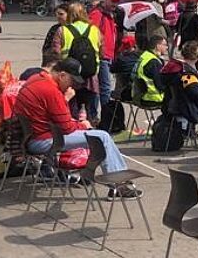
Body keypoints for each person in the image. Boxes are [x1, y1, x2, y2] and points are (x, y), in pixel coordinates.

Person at [13, 58, 141, 198]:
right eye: (71, 81)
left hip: (31, 137)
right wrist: (83, 125)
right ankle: (118, 185)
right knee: (102, 137)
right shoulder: (51, 91)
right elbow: (67, 127)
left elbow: (58, 120)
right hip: (43, 140)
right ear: (62, 75)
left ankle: (111, 179)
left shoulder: (35, 79)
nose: (72, 86)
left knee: (97, 135)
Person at [160, 40, 198, 146]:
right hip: (188, 108)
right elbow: (197, 94)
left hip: (173, 103)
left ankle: (194, 131)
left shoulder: (172, 67)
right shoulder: (187, 73)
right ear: (197, 56)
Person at [56, 2, 102, 122]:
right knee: (89, 104)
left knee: (72, 106)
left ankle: (73, 126)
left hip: (70, 74)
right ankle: (91, 123)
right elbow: (101, 49)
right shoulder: (94, 30)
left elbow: (55, 52)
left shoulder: (63, 30)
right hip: (91, 74)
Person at [89, 0, 121, 116]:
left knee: (101, 88)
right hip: (101, 55)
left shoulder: (110, 15)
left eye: (117, 1)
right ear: (106, 0)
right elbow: (92, 33)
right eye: (113, 1)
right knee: (103, 88)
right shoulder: (98, 14)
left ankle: (100, 116)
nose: (115, 4)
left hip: (108, 55)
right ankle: (103, 116)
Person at [135, 35, 168, 108]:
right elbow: (160, 85)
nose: (167, 47)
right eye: (165, 45)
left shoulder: (144, 56)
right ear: (158, 46)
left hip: (141, 96)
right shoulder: (154, 62)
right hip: (153, 99)